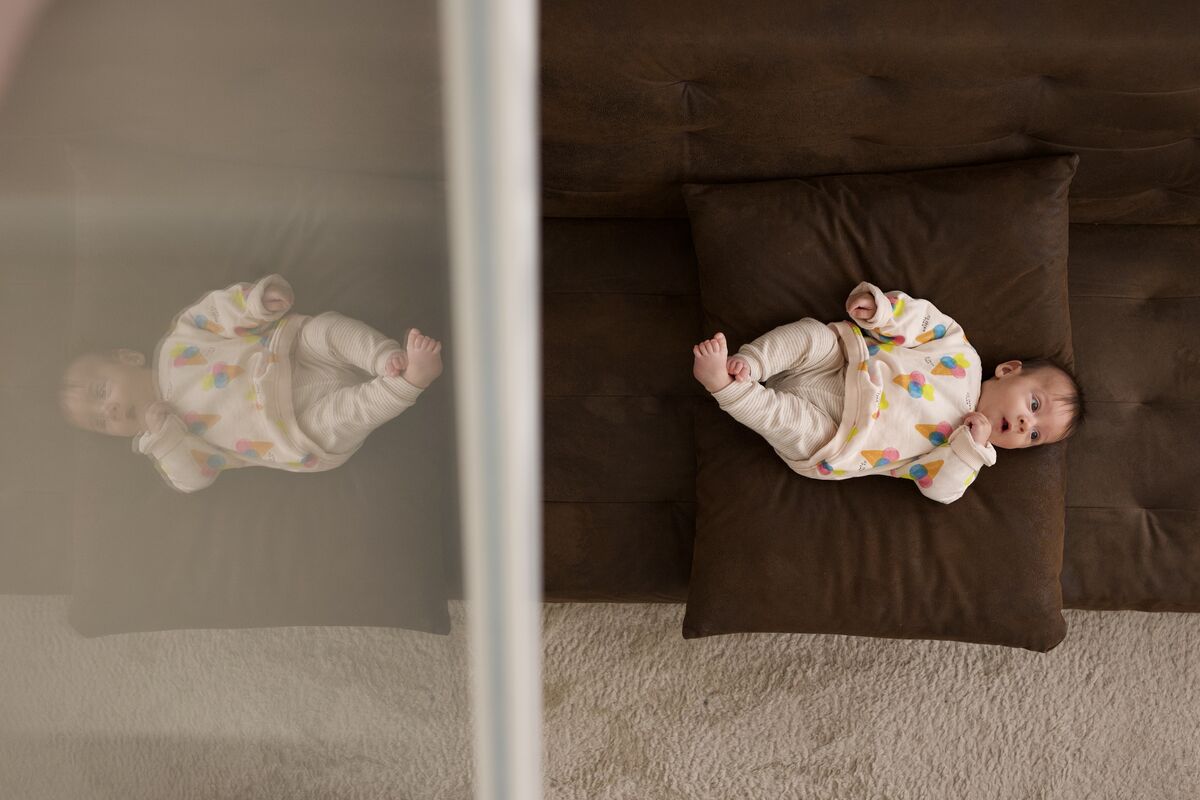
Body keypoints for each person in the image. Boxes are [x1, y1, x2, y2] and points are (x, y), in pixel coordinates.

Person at [690, 281, 1085, 504]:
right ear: (1008, 370)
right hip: (847, 362)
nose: (1022, 424)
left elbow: (941, 491)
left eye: (1033, 435)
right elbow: (925, 322)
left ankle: (726, 388)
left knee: (785, 420)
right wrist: (883, 313)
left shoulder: (964, 455)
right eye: (1034, 405)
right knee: (813, 335)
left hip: (840, 439)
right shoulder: (962, 353)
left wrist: (971, 449)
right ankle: (751, 364)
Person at [59, 274, 443, 493]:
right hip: (292, 430)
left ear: (128, 358)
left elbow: (215, 313)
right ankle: (408, 382)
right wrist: (164, 439)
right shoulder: (164, 445)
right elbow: (192, 479)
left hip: (288, 354)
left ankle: (384, 357)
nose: (107, 411)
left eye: (100, 392)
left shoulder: (179, 340)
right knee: (347, 414)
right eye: (100, 422)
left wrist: (255, 304)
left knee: (324, 329)